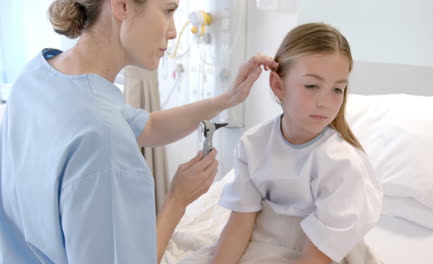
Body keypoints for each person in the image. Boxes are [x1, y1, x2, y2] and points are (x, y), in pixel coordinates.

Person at [0, 0, 278, 263]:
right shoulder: (103, 138)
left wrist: (227, 99)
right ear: (122, 6)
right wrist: (176, 201)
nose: (172, 31)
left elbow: (149, 126)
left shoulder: (36, 77)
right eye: (168, 10)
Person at [179, 23, 383, 264]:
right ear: (277, 84)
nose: (325, 103)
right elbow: (240, 223)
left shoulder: (342, 164)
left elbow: (317, 255)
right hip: (262, 243)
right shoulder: (253, 145)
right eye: (311, 86)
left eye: (337, 89)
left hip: (319, 254)